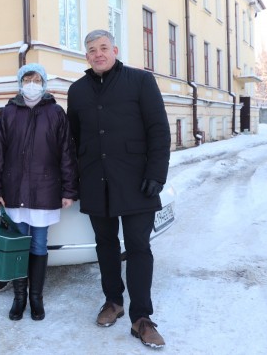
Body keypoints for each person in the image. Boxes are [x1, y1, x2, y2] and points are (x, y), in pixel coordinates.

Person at [66, 30, 171, 348]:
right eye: (91, 50)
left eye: (103, 48)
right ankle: (113, 301)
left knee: (139, 247)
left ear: (114, 49)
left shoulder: (140, 81)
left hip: (137, 182)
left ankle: (141, 318)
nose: (97, 54)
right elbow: (72, 140)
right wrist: (73, 182)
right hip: (96, 182)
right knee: (105, 245)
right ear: (86, 56)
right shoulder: (78, 90)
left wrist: (156, 174)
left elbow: (159, 129)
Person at [0, 63, 79, 321]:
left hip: (45, 191)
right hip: (14, 192)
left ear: (44, 84)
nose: (32, 84)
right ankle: (19, 298)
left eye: (37, 80)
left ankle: (36, 299)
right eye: (28, 79)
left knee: (38, 244)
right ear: (20, 83)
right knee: (17, 246)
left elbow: (67, 154)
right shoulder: (8, 113)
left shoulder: (56, 113)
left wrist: (69, 189)